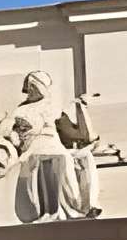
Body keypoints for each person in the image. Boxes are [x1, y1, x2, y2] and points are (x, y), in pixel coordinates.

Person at [9, 69, 102, 222]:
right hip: (35, 147)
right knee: (62, 157)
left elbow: (81, 135)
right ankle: (73, 205)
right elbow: (11, 131)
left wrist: (81, 107)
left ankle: (84, 204)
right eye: (30, 86)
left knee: (84, 156)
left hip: (54, 145)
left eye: (35, 86)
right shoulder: (21, 110)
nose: (31, 90)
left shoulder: (53, 108)